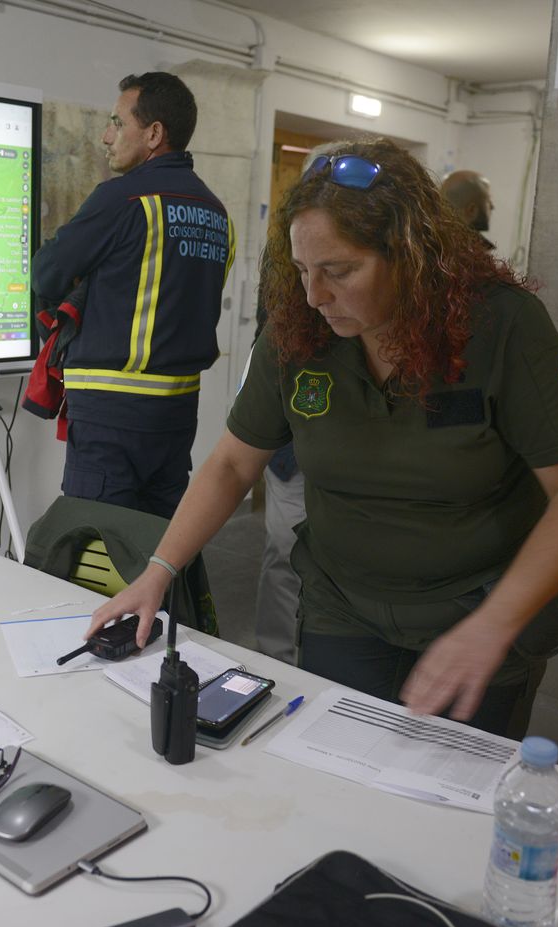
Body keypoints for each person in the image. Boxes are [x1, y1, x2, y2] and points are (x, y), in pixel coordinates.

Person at [88, 138, 558, 739]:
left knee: (449, 799)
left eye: (339, 270)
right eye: (303, 270)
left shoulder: (502, 326)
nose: (315, 295)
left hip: (476, 607)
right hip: (343, 605)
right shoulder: (299, 330)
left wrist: (496, 623)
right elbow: (234, 464)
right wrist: (159, 570)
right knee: (339, 764)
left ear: (412, 254)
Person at [31, 73, 234, 519]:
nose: (106, 136)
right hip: (178, 412)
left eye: (117, 123)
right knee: (154, 547)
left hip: (111, 413)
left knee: (98, 547)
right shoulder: (218, 214)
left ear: (154, 133)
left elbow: (46, 274)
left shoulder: (122, 198)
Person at [249, 142, 344, 666]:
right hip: (293, 436)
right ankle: (274, 663)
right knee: (285, 554)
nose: (317, 292)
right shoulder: (283, 257)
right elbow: (276, 342)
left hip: (352, 444)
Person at [440, 169, 495, 250]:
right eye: (488, 201)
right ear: (472, 210)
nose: (492, 207)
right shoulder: (468, 254)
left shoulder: (436, 243)